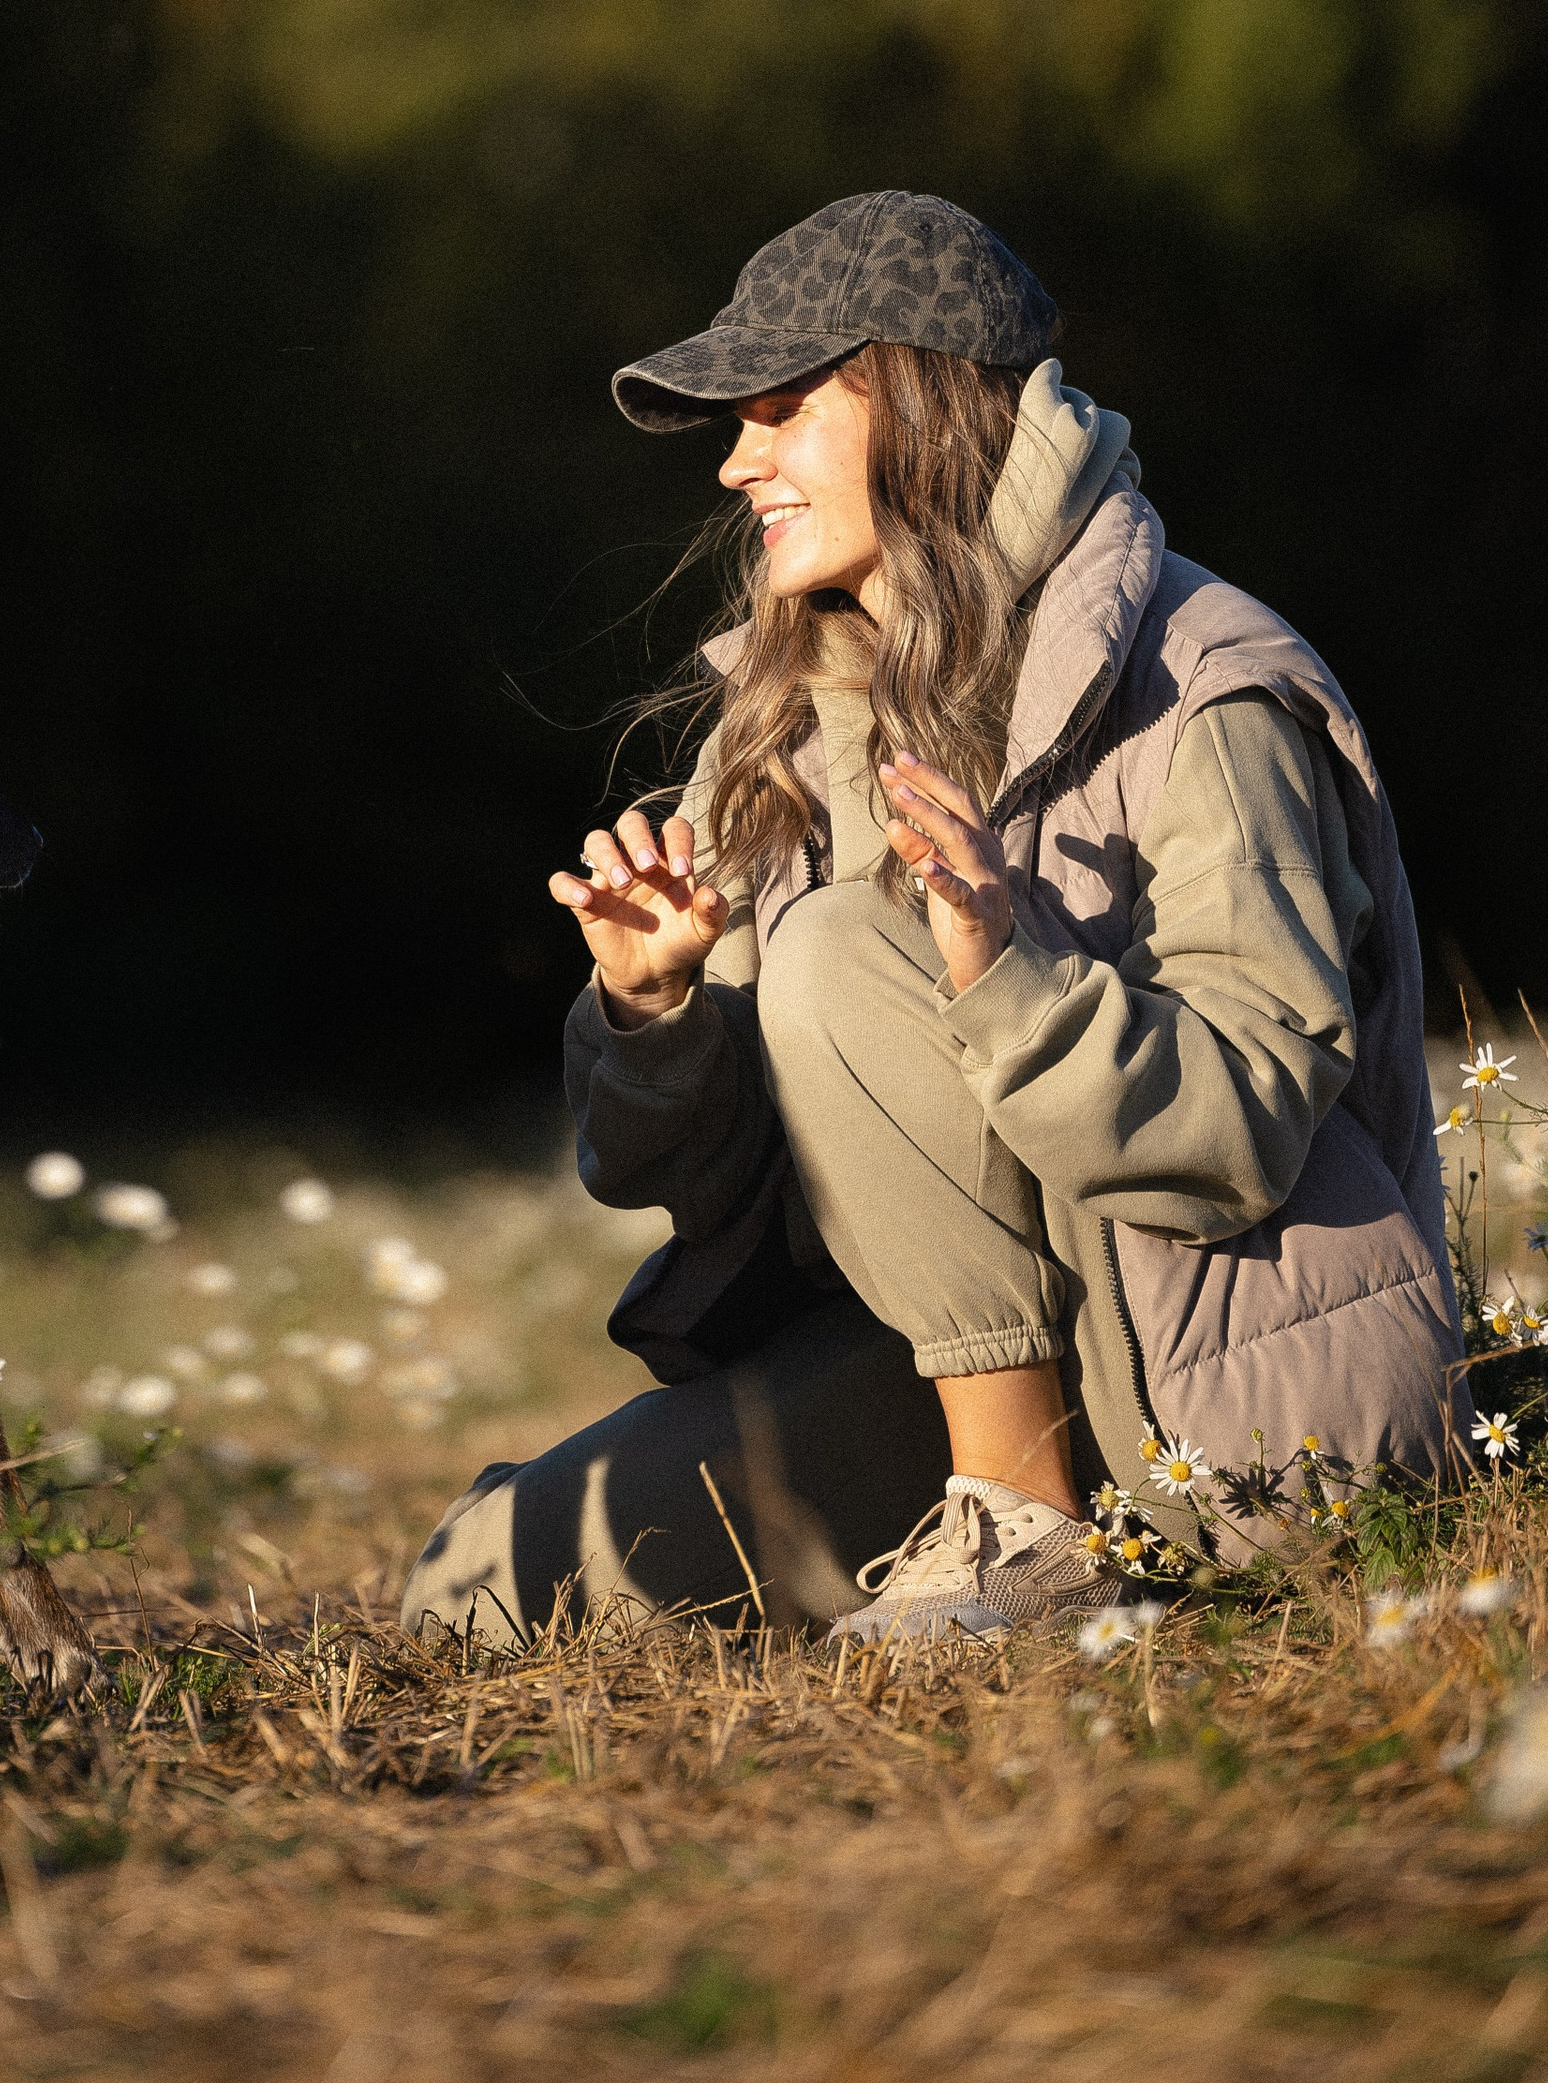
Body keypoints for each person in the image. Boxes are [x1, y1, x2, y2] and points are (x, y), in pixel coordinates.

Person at [403, 189, 1465, 1649]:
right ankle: (987, 1503)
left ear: (924, 397)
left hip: (1214, 1389)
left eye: (778, 407)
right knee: (471, 1589)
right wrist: (657, 1018)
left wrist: (1006, 983)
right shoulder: (784, 718)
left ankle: (1023, 1534)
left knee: (842, 945)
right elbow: (718, 1195)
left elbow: (1247, 1129)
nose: (735, 460)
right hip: (928, 1354)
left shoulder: (1206, 683)